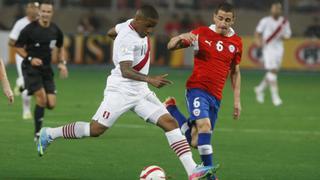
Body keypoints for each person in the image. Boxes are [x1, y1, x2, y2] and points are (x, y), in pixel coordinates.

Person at [37, 5, 215, 180]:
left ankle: (192, 171)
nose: (151, 31)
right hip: (121, 90)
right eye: (148, 26)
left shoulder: (129, 24)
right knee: (95, 129)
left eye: (153, 26)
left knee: (170, 123)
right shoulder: (127, 38)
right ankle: (50, 133)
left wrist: (144, 81)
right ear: (139, 21)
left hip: (140, 91)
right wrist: (150, 79)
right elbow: (125, 71)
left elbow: (110, 32)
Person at [164, 3, 242, 180]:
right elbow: (171, 46)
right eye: (220, 18)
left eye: (227, 20)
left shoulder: (236, 42)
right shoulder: (201, 33)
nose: (223, 23)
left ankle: (172, 109)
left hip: (216, 96)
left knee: (196, 141)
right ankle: (209, 176)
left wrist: (237, 100)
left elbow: (235, 72)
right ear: (214, 17)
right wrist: (180, 37)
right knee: (204, 126)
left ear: (233, 20)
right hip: (197, 89)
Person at [14, 0, 68, 141]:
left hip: (46, 69)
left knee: (51, 104)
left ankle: (27, 88)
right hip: (31, 68)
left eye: (48, 12)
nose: (45, 14)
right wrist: (30, 58)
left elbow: (61, 47)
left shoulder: (55, 30)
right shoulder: (30, 29)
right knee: (42, 98)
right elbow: (18, 47)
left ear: (52, 13)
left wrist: (62, 63)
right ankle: (37, 134)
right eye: (43, 11)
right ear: (39, 12)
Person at [254, 2, 291, 106]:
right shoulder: (265, 21)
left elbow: (288, 35)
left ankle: (260, 89)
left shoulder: (284, 22)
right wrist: (258, 41)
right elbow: (258, 32)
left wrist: (284, 37)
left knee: (273, 72)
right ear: (271, 9)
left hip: (279, 49)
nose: (276, 10)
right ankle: (275, 97)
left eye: (278, 8)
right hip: (268, 48)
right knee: (273, 71)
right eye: (274, 8)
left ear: (281, 10)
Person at [8, 0, 39, 120]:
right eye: (32, 7)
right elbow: (10, 41)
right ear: (27, 9)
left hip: (36, 57)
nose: (34, 10)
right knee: (28, 82)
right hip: (22, 57)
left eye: (36, 7)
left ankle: (19, 83)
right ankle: (26, 111)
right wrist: (22, 44)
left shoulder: (41, 23)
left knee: (30, 82)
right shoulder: (20, 23)